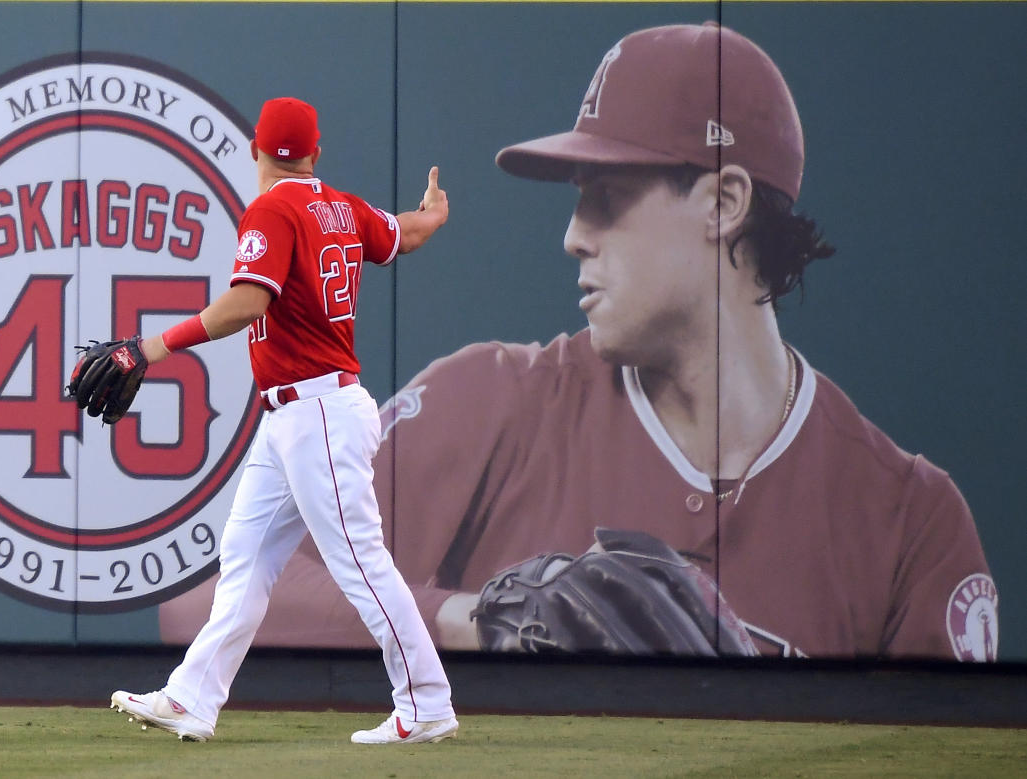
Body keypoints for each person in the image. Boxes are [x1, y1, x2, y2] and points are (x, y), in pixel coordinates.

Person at [159, 24, 998, 662]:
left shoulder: (908, 523)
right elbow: (203, 605)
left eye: (605, 196)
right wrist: (477, 618)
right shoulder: (493, 401)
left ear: (721, 201)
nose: (571, 236)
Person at [110, 97, 459, 744]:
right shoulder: (341, 205)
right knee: (244, 555)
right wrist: (434, 211)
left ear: (256, 150)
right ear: (315, 153)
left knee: (359, 561)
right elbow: (404, 232)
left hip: (317, 412)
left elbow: (247, 302)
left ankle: (427, 700)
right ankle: (191, 697)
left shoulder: (272, 207)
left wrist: (152, 347)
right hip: (296, 415)